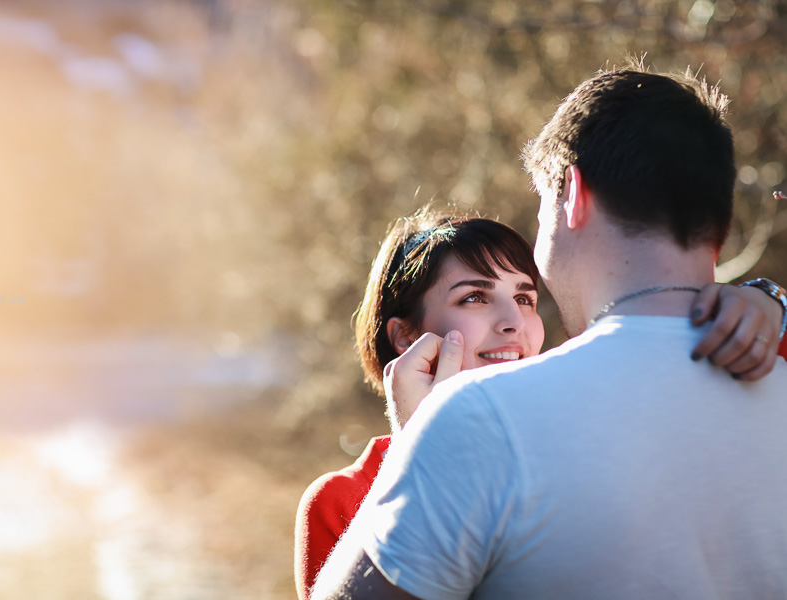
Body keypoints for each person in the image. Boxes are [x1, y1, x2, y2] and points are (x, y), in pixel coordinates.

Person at [311, 64, 787, 599]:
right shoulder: (772, 368)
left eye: (541, 209)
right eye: (474, 296)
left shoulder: (480, 420)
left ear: (572, 195)